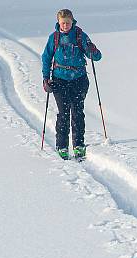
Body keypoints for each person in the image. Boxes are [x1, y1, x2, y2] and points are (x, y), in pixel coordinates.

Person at [41, 9, 102, 160]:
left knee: (78, 112)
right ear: (59, 23)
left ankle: (79, 145)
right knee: (64, 113)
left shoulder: (80, 35)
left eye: (68, 22)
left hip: (79, 79)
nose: (66, 25)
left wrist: (93, 50)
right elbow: (46, 58)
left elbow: (96, 56)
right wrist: (45, 78)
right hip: (59, 79)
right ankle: (62, 146)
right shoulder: (54, 38)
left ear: (72, 21)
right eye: (63, 23)